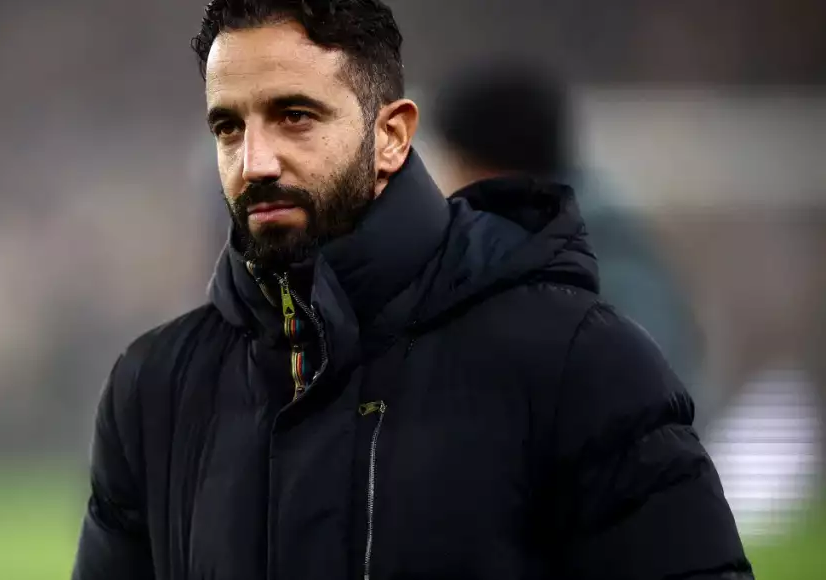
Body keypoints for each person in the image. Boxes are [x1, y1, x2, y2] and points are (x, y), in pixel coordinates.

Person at [72, 1, 751, 579]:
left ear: (392, 136)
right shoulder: (153, 389)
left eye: (294, 116)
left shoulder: (578, 360)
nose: (255, 162)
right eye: (229, 127)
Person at [431, 61, 712, 428]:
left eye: (456, 166)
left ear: (490, 172)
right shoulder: (555, 243)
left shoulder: (597, 261)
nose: (447, 186)